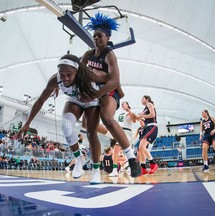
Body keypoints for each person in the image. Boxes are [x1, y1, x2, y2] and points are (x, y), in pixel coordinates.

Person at [17, 54, 104, 184]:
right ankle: (79, 159)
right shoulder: (55, 80)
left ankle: (96, 170)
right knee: (65, 124)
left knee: (91, 134)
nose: (65, 78)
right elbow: (41, 100)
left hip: (92, 100)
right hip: (75, 100)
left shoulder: (88, 75)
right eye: (62, 74)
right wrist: (27, 123)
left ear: (77, 71)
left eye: (69, 74)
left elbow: (110, 79)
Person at [81, 12, 141, 178]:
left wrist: (94, 93)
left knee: (107, 118)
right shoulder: (88, 55)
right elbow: (79, 73)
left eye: (99, 36)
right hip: (94, 91)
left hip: (109, 91)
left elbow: (114, 81)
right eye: (94, 36)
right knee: (86, 125)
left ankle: (131, 158)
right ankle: (106, 143)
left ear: (107, 37)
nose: (96, 39)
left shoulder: (109, 55)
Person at [109, 101, 136, 176]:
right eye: (122, 104)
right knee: (116, 149)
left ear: (127, 104)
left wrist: (129, 111)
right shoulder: (119, 114)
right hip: (120, 131)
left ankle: (131, 168)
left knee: (128, 151)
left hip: (127, 132)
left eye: (124, 103)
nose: (122, 104)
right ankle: (114, 170)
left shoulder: (131, 112)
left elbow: (134, 120)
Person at [135, 96, 159, 175]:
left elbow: (152, 114)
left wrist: (143, 116)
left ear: (146, 99)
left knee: (142, 146)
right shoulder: (144, 109)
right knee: (140, 148)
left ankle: (153, 164)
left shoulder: (149, 104)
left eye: (142, 98)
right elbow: (139, 118)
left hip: (152, 126)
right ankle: (143, 168)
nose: (141, 100)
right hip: (148, 127)